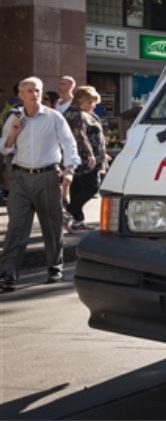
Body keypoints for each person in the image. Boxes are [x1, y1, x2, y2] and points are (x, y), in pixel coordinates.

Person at [0, 77, 80, 292]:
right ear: (20, 95)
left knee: (52, 225)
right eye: (29, 91)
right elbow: (4, 148)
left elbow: (69, 144)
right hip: (20, 178)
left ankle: (54, 267)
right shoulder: (14, 118)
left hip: (48, 176)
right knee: (16, 227)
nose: (34, 94)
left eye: (37, 90)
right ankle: (8, 274)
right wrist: (14, 132)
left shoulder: (54, 117)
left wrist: (70, 170)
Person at [62, 86, 107, 232]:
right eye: (90, 102)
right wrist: (90, 155)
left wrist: (102, 153)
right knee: (91, 187)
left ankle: (78, 221)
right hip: (84, 159)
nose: (93, 106)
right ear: (81, 100)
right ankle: (68, 212)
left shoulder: (82, 113)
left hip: (84, 157)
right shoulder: (76, 114)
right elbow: (80, 136)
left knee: (78, 189)